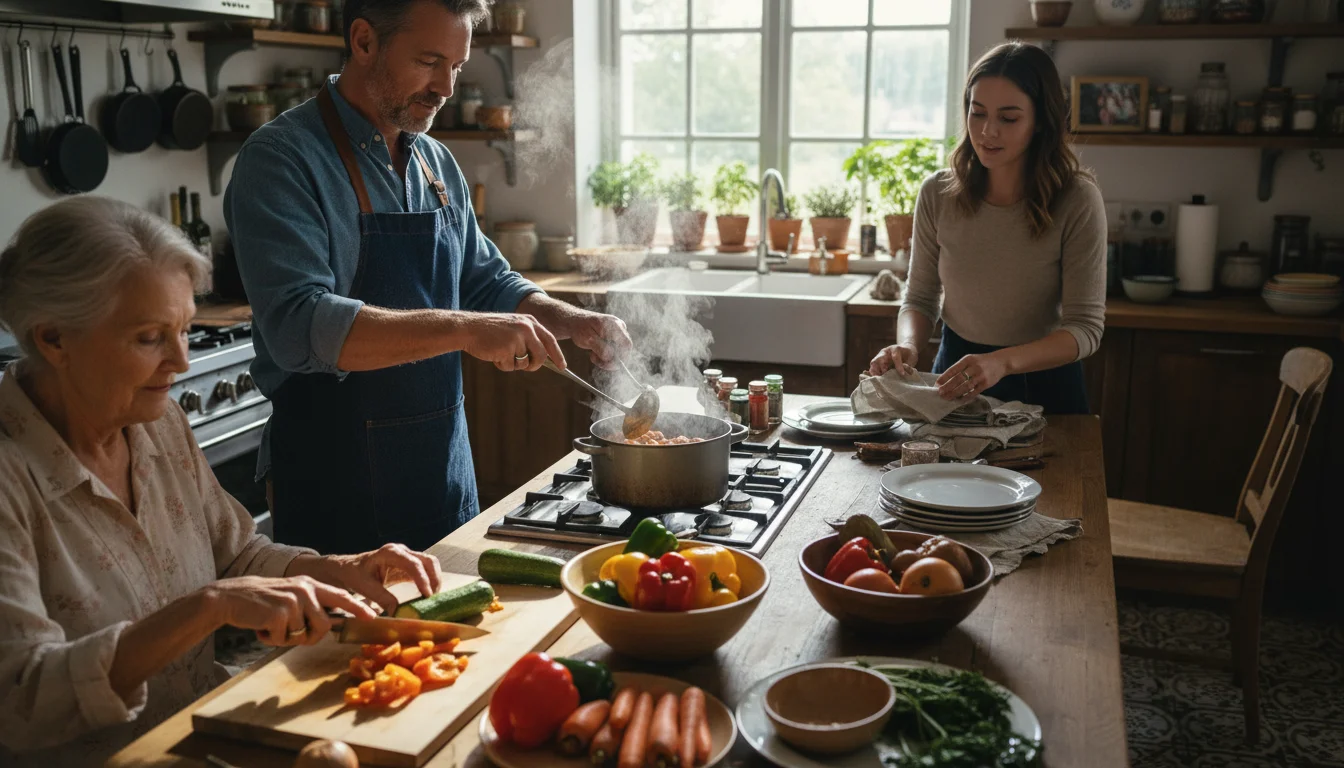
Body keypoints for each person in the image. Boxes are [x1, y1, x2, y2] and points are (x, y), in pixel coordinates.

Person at [0, 197, 446, 765]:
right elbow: (19, 699)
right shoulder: (10, 476)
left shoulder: (158, 424)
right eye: (149, 338)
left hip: (203, 733)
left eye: (185, 330)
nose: (181, 362)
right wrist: (207, 607)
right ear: (53, 339)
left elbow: (235, 555)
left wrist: (335, 568)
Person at [225, 0, 632, 554]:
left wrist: (571, 319)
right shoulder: (281, 159)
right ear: (364, 41)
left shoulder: (435, 163)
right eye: (428, 61)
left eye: (457, 67)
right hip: (336, 489)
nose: (445, 86)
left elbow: (485, 281)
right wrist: (467, 329)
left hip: (442, 474)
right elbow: (300, 326)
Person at [869, 42, 1107, 414]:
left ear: (1042, 120)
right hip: (954, 374)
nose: (987, 131)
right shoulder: (938, 193)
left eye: (1008, 118)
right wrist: (908, 347)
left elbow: (1085, 329)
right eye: (977, 113)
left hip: (1045, 382)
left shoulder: (1077, 199)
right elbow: (920, 298)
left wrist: (1002, 362)